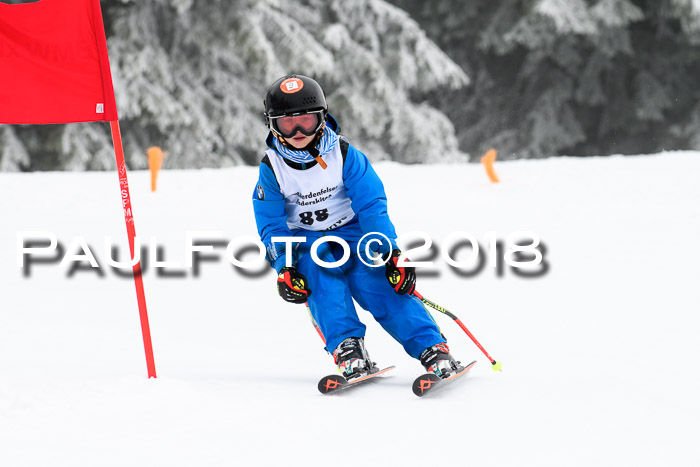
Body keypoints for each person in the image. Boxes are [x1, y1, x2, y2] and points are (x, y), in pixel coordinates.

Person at [252, 74, 463, 380]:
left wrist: (391, 253)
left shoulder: (344, 154)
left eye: (306, 122)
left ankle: (433, 348)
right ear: (274, 125)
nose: (298, 131)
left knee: (376, 281)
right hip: (308, 243)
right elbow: (271, 224)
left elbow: (371, 205)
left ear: (322, 119)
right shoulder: (272, 168)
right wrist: (285, 267)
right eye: (287, 124)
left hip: (354, 234)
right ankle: (348, 349)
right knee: (321, 280)